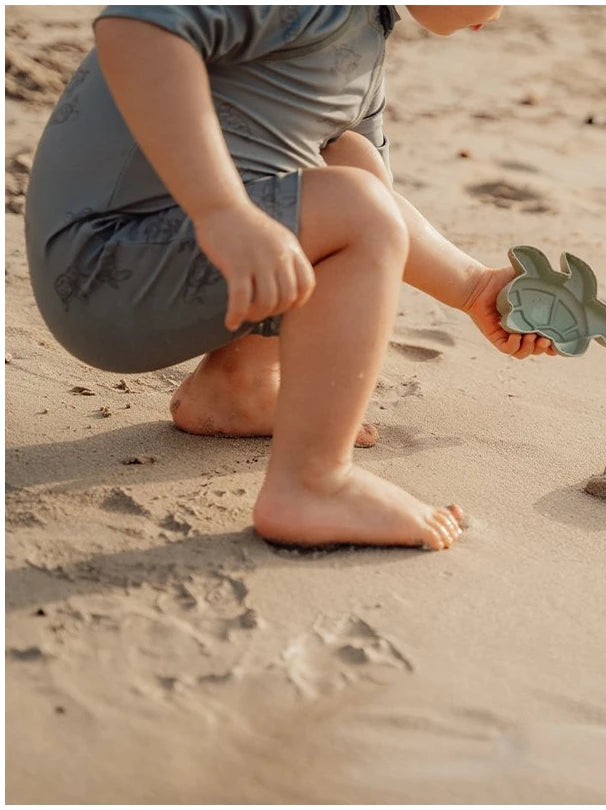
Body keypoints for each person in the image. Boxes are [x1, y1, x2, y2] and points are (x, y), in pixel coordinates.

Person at [24, 5, 555, 552]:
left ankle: (237, 388)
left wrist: (473, 287)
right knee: (356, 206)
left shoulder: (362, 39)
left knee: (349, 161)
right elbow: (133, 27)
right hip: (100, 269)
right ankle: (312, 484)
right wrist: (222, 209)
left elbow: (375, 210)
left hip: (156, 263)